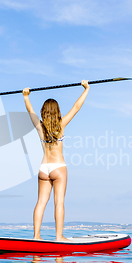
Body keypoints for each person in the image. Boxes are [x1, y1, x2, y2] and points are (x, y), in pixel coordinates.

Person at [23, 80, 89, 241]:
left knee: (40, 202)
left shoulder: (39, 127)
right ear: (57, 111)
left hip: (43, 169)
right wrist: (86, 89)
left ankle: (36, 236)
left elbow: (30, 111)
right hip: (58, 168)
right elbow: (76, 108)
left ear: (44, 112)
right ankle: (59, 237)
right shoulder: (61, 124)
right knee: (59, 202)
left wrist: (26, 97)